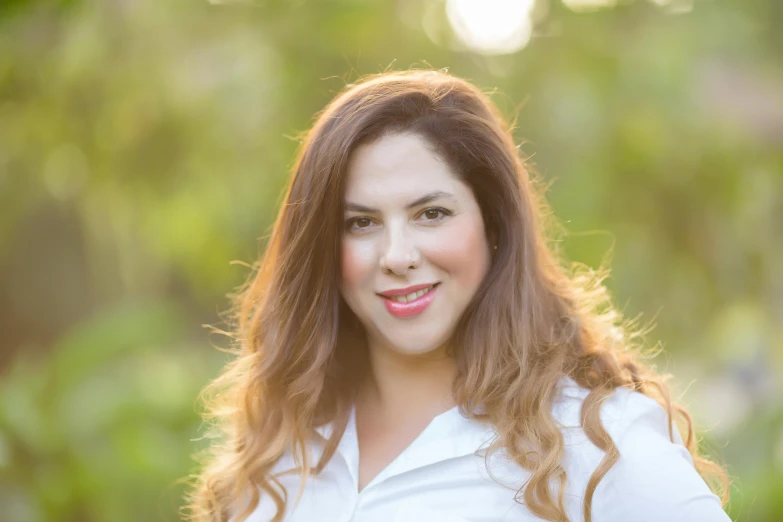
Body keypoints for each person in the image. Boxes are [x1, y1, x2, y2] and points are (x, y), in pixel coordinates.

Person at [184, 69, 730, 522]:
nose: (397, 255)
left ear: (493, 226)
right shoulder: (276, 451)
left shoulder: (600, 443)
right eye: (360, 223)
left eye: (432, 214)